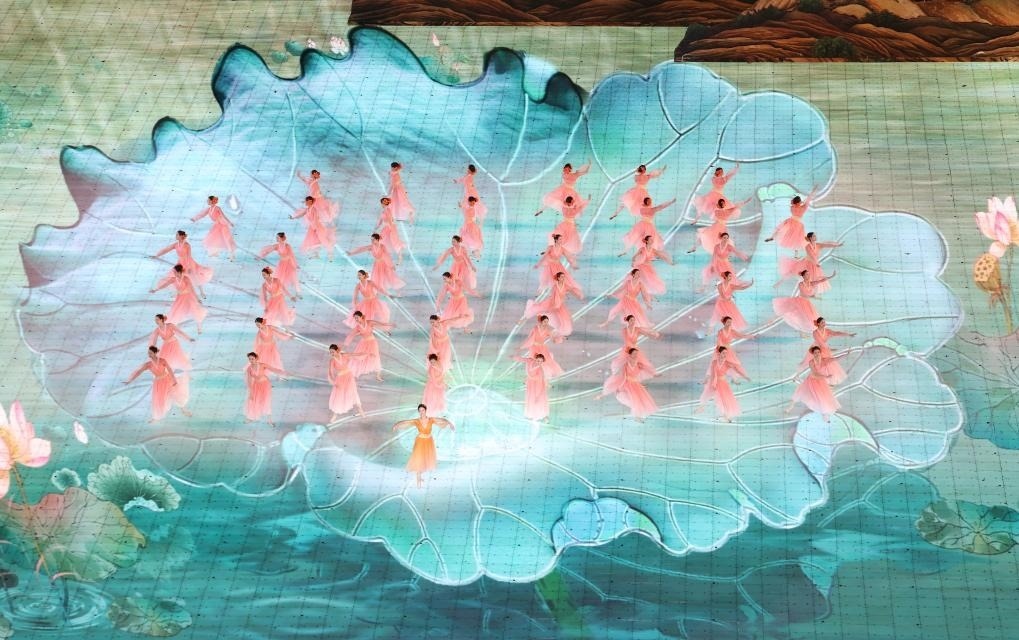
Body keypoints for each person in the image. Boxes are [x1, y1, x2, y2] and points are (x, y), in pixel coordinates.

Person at [393, 404, 455, 488]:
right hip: (420, 441)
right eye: (420, 411)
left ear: (425, 410)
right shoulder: (416, 421)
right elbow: (406, 422)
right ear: (418, 412)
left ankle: (420, 476)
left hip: (429, 441)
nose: (421, 412)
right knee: (419, 458)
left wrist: (450, 423)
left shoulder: (431, 419)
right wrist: (396, 425)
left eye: (423, 410)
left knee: (426, 459)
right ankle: (418, 479)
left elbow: (441, 420)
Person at [123, 346, 191, 423]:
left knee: (175, 393)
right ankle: (156, 417)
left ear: (155, 353)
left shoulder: (162, 360)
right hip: (158, 383)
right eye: (148, 353)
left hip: (167, 379)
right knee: (159, 400)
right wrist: (130, 380)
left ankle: (183, 409)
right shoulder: (148, 364)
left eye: (150, 353)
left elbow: (170, 370)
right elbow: (138, 372)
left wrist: (174, 380)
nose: (149, 354)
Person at [597, 348, 658, 422]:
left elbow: (646, 370)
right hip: (627, 384)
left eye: (636, 354)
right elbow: (620, 375)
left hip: (635, 385)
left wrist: (653, 374)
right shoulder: (626, 364)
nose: (636, 355)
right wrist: (603, 394)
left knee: (639, 401)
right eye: (634, 353)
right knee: (633, 401)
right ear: (630, 354)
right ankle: (637, 417)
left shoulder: (638, 364)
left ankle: (638, 417)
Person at [694, 346, 749, 423]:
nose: (725, 355)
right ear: (719, 353)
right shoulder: (714, 362)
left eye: (726, 353)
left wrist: (744, 377)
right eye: (723, 353)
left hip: (723, 384)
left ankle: (727, 417)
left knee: (725, 400)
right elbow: (711, 373)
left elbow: (736, 370)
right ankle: (705, 408)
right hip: (715, 382)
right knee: (716, 398)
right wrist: (711, 382)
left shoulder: (727, 363)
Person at [787, 346, 841, 422]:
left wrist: (846, 354)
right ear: (813, 354)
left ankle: (825, 415)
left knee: (822, 398)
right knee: (799, 392)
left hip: (820, 382)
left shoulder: (824, 360)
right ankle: (789, 408)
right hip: (811, 380)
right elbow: (814, 374)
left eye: (818, 352)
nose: (817, 354)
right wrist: (826, 376)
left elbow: (834, 359)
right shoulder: (811, 362)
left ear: (820, 353)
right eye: (815, 352)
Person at [151, 230, 213, 294]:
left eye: (177, 235)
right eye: (176, 235)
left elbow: (189, 256)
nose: (176, 236)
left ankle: (201, 292)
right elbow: (166, 249)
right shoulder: (175, 244)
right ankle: (179, 291)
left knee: (194, 276)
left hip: (189, 262)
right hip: (180, 262)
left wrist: (189, 267)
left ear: (181, 236)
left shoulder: (187, 245)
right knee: (175, 275)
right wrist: (157, 255)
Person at [523, 271, 584, 337]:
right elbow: (552, 292)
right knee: (538, 308)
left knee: (564, 319)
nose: (563, 278)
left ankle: (560, 330)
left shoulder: (565, 286)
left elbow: (572, 289)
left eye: (564, 277)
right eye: (562, 277)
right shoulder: (555, 286)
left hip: (559, 304)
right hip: (552, 301)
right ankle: (527, 316)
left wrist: (578, 294)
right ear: (558, 278)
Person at [151, 264, 206, 333]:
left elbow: (191, 289)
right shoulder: (174, 279)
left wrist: (197, 299)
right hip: (180, 298)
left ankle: (199, 327)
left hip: (189, 297)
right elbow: (165, 284)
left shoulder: (186, 278)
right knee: (175, 311)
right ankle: (172, 327)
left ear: (179, 272)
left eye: (175, 272)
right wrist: (156, 289)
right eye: (173, 272)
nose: (174, 273)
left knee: (196, 311)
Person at [342, 311, 394, 381]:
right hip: (363, 343)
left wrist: (387, 329)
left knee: (375, 356)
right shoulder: (357, 327)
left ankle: (378, 376)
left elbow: (380, 324)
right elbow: (351, 335)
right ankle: (353, 373)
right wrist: (345, 345)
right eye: (355, 318)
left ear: (361, 317)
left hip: (372, 342)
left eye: (357, 317)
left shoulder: (369, 322)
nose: (356, 319)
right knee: (359, 357)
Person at [244, 352, 286, 427]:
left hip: (265, 385)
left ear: (256, 358)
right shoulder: (249, 368)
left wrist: (283, 373)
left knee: (266, 401)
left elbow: (273, 369)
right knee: (253, 400)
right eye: (249, 359)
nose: (251, 360)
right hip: (256, 386)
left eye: (252, 359)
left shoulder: (262, 365)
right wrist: (250, 392)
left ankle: (270, 421)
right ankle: (251, 418)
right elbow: (249, 381)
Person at [191, 195, 236, 259]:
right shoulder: (209, 209)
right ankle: (214, 252)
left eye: (208, 200)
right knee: (213, 238)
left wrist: (229, 223)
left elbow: (223, 216)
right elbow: (202, 214)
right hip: (217, 225)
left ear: (212, 201)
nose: (207, 201)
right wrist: (194, 218)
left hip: (222, 224)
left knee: (227, 239)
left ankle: (232, 254)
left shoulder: (217, 208)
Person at [327, 344, 365, 420]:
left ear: (337, 350)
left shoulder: (344, 355)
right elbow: (330, 372)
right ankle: (335, 413)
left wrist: (365, 354)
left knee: (353, 392)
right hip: (340, 379)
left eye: (333, 351)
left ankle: (360, 410)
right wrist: (333, 381)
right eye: (330, 352)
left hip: (349, 377)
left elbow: (354, 355)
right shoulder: (332, 361)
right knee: (339, 395)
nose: (331, 353)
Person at [514, 354, 550, 421]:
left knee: (539, 399)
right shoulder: (531, 363)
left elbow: (541, 378)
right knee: (531, 399)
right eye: (538, 360)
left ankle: (541, 415)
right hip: (532, 385)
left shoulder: (540, 369)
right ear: (535, 359)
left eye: (541, 361)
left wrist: (546, 384)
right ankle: (531, 414)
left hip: (538, 385)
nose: (539, 362)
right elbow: (523, 360)